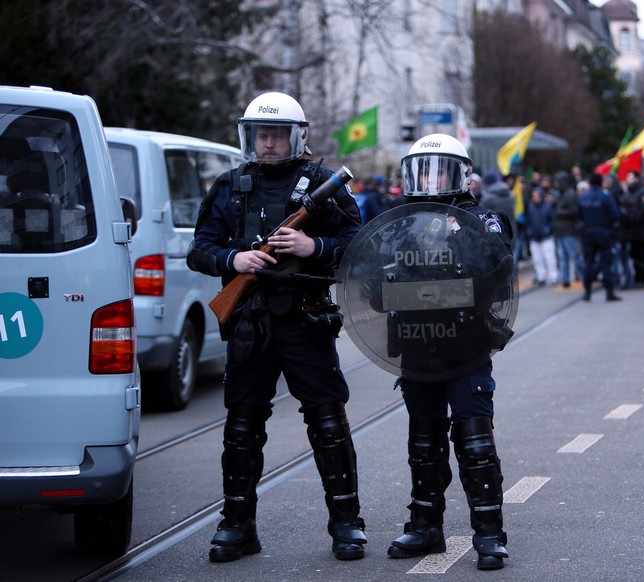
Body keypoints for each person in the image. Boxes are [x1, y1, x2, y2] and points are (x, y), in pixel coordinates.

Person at [187, 92, 367, 563]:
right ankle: (237, 525)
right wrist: (234, 258)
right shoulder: (230, 185)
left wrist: (313, 247)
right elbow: (199, 249)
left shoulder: (324, 184)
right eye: (260, 134)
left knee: (328, 422)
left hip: (305, 319)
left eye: (276, 134)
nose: (267, 143)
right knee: (242, 427)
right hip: (249, 322)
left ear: (297, 136)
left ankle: (347, 524)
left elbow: (358, 243)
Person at [387, 134, 513, 571]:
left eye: (439, 168)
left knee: (475, 442)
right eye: (422, 169)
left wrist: (432, 275)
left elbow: (490, 277)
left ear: (460, 173)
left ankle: (490, 535)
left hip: (466, 347)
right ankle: (425, 527)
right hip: (416, 346)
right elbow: (373, 289)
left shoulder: (484, 220)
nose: (430, 178)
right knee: (423, 443)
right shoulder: (397, 224)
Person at [578, 172, 622, 302]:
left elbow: (579, 216)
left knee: (588, 262)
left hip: (588, 232)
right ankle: (609, 291)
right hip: (604, 231)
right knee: (606, 262)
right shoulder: (605, 197)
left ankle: (587, 291)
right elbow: (615, 214)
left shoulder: (583, 197)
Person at [553, 170, 585, 288]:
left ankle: (584, 276)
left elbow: (574, 211)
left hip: (569, 230)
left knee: (574, 255)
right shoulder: (562, 194)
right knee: (563, 257)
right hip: (561, 230)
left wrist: (558, 211)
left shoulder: (570, 194)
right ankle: (565, 279)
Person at [525, 184, 559, 286]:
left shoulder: (548, 207)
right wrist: (529, 231)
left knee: (549, 258)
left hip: (546, 237)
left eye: (537, 195)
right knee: (537, 259)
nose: (536, 197)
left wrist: (548, 230)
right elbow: (528, 221)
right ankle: (541, 276)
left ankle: (553, 276)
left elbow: (553, 221)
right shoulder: (531, 208)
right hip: (534, 238)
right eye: (534, 196)